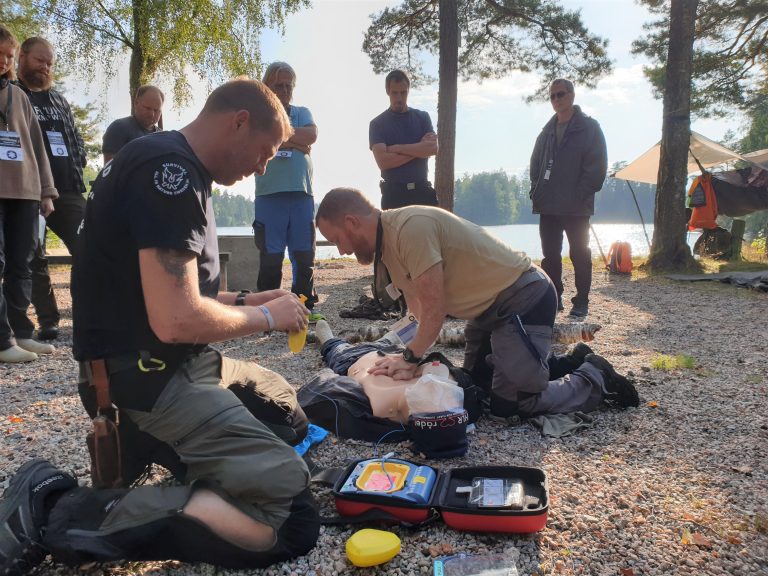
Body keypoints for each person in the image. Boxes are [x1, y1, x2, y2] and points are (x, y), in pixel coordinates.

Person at [0, 79, 320, 573]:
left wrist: (253, 298)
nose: (262, 167)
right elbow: (175, 319)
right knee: (290, 521)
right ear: (238, 122)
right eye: (265, 151)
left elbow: (183, 295)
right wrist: (264, 318)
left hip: (177, 361)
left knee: (285, 416)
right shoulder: (168, 172)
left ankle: (160, 450)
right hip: (145, 378)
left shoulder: (173, 163)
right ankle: (54, 509)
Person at [315, 188, 639, 420]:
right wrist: (403, 356)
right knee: (478, 393)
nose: (340, 250)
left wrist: (412, 357)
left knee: (512, 405)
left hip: (524, 296)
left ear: (351, 221)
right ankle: (566, 363)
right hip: (487, 312)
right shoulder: (387, 252)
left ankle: (595, 377)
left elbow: (435, 308)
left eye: (337, 239)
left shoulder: (409, 229)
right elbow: (418, 312)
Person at [15, 36, 87, 341]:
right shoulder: (13, 95)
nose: (45, 67)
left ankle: (86, 315)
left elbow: (74, 137)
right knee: (34, 256)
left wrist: (78, 161)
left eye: (49, 63)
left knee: (89, 246)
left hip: (68, 189)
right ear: (22, 58)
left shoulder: (58, 99)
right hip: (29, 190)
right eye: (39, 60)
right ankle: (48, 321)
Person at [0, 25, 58, 364]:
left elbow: (37, 148)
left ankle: (21, 332)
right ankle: (2, 338)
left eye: (8, 55)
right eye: (1, 54)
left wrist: (46, 192)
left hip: (23, 192)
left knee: (21, 265)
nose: (5, 60)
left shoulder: (19, 96)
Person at [529, 78, 607, 318]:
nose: (556, 100)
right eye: (552, 96)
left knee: (579, 254)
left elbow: (597, 165)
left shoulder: (589, 127)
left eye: (560, 94)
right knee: (550, 256)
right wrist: (536, 191)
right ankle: (555, 297)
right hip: (549, 205)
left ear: (572, 96)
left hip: (576, 207)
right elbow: (535, 165)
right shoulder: (546, 132)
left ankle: (581, 300)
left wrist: (582, 193)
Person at [253, 62, 318, 309]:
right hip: (269, 196)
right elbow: (259, 139)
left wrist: (280, 139)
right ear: (267, 87)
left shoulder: (302, 112)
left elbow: (311, 136)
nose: (284, 90)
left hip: (302, 195)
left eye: (288, 85)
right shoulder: (259, 117)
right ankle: (269, 309)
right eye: (278, 85)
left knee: (304, 256)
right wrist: (296, 143)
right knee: (271, 257)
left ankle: (303, 305)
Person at [369, 69, 438, 209]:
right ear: (387, 91)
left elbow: (433, 148)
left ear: (408, 91)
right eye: (395, 93)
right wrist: (419, 149)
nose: (399, 98)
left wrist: (398, 148)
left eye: (403, 92)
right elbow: (383, 162)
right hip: (394, 195)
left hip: (423, 192)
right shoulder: (377, 124)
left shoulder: (422, 117)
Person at [101, 84, 164, 163]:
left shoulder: (163, 136)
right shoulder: (119, 128)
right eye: (148, 108)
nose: (152, 114)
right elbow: (110, 169)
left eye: (156, 110)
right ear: (136, 103)